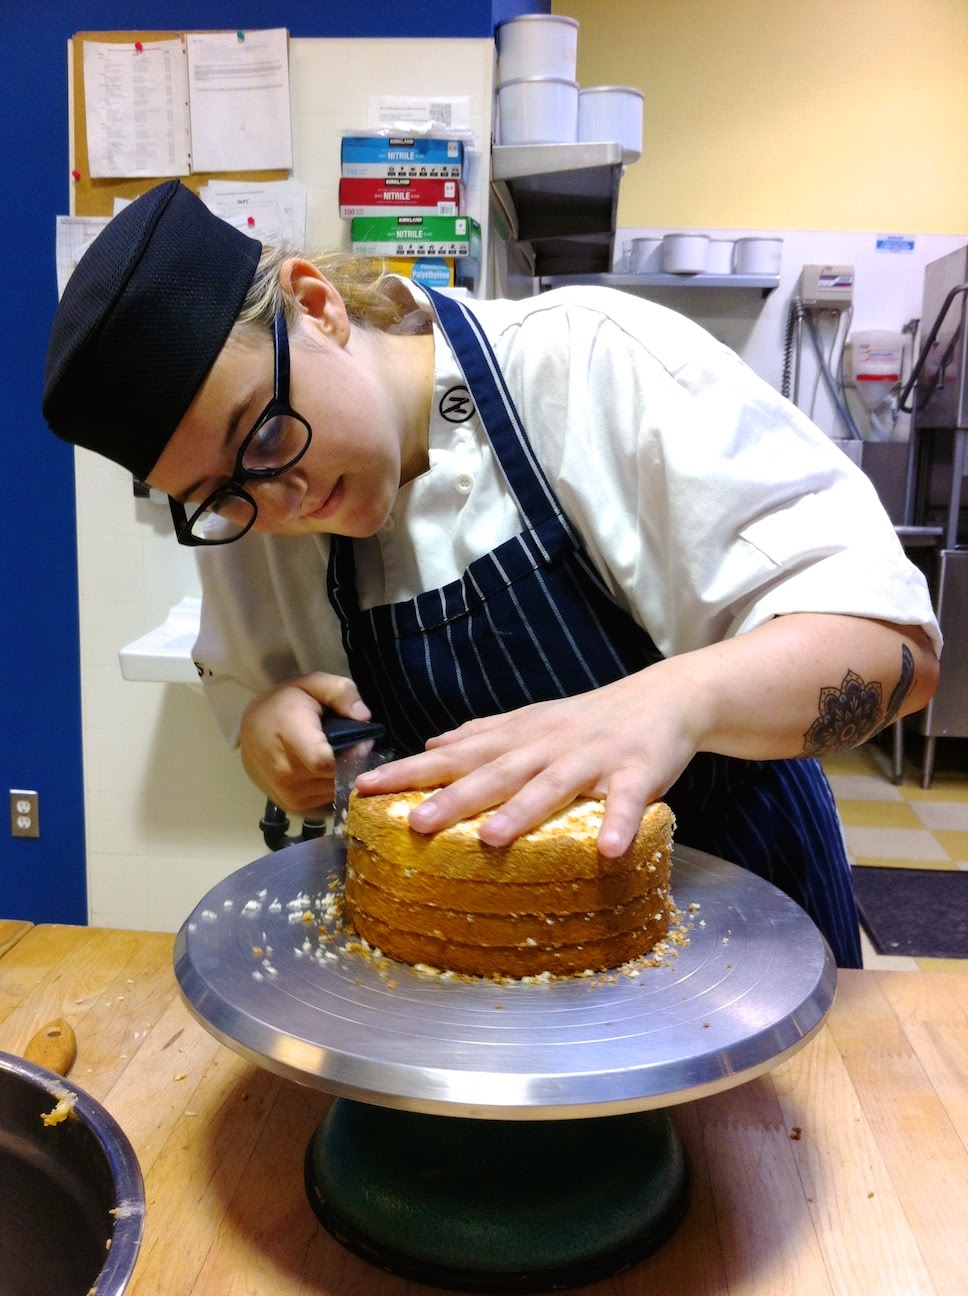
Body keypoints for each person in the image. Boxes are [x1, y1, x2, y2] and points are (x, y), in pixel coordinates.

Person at [43, 181, 941, 969]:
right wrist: (267, 729)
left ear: (315, 305)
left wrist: (675, 701)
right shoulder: (247, 519)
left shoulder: (590, 363)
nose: (282, 506)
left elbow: (894, 649)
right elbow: (255, 694)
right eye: (221, 495)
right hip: (466, 988)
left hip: (739, 935)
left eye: (269, 434)